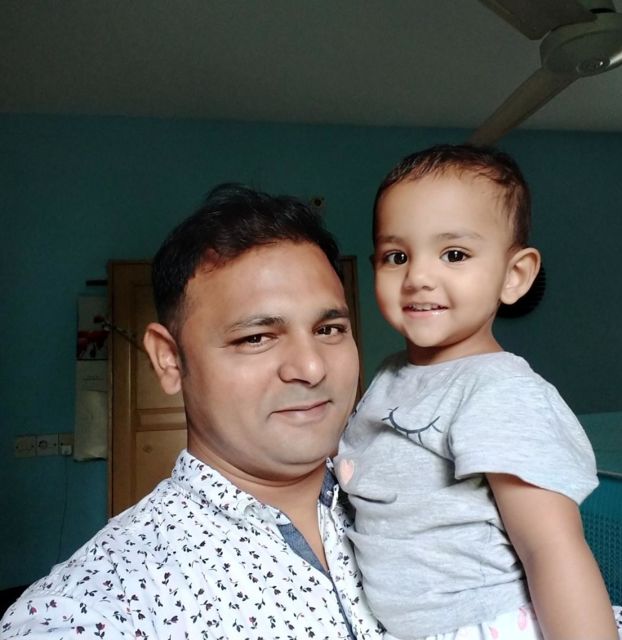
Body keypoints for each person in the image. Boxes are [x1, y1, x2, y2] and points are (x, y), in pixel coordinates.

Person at [1, 184, 382, 639]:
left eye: (329, 329)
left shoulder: (409, 494)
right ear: (169, 360)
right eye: (256, 338)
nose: (312, 367)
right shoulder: (101, 601)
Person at [334, 144, 618, 639]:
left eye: (454, 255)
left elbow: (551, 549)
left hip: (487, 625)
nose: (418, 277)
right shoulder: (390, 374)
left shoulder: (499, 390)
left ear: (514, 276)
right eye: (397, 256)